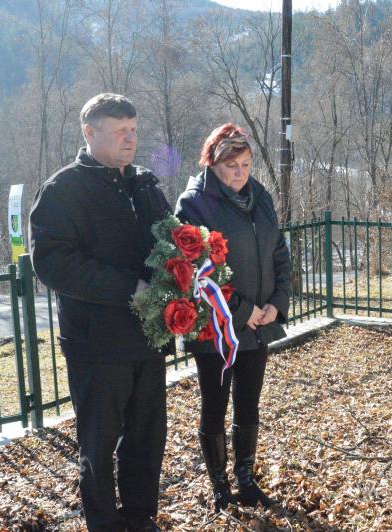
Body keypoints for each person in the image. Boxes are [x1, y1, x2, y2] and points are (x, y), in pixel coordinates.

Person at [30, 93, 171, 532]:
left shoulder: (144, 185)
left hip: (148, 337)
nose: (130, 139)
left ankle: (141, 518)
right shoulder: (63, 190)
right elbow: (53, 263)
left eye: (134, 130)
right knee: (99, 445)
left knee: (147, 439)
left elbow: (170, 242)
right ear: (89, 133)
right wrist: (129, 288)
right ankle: (106, 525)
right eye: (120, 131)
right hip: (96, 343)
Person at [174, 123, 291, 512]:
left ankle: (245, 479)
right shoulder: (194, 204)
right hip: (215, 328)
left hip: (258, 325)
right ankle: (220, 486)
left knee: (248, 403)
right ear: (212, 163)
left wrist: (276, 302)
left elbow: (279, 253)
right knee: (215, 404)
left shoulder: (260, 197)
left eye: (245, 164)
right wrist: (243, 310)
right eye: (231, 166)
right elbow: (196, 272)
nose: (240, 173)